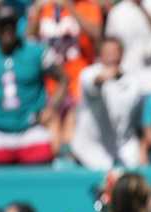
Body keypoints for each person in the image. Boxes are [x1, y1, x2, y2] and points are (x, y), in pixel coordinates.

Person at [0, 5, 63, 167]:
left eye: (11, 25)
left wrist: (51, 108)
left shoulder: (36, 52)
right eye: (2, 25)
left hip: (31, 129)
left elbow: (63, 78)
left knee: (41, 175)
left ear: (17, 26)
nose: (7, 30)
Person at [29, 0, 104, 150]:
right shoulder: (46, 7)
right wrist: (35, 14)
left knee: (72, 138)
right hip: (50, 85)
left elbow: (96, 33)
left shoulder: (88, 6)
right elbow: (29, 40)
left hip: (77, 82)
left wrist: (70, 8)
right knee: (51, 140)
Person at [71, 38, 145, 170]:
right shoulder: (88, 73)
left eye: (114, 51)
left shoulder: (134, 82)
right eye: (107, 52)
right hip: (89, 151)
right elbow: (93, 83)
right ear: (100, 54)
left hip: (123, 149)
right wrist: (104, 77)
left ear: (121, 54)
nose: (111, 55)